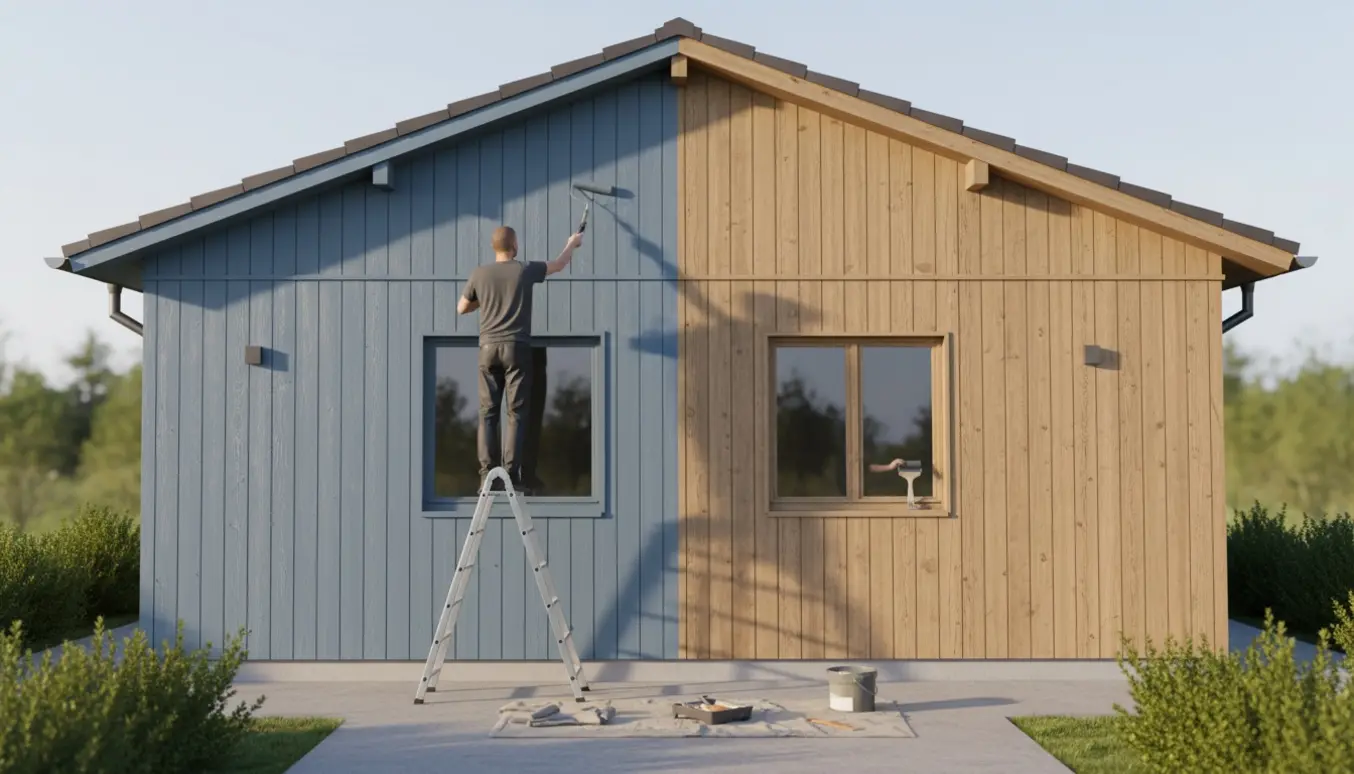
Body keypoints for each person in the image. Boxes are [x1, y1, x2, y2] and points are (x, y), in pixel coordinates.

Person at [458, 225, 583, 494]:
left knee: (487, 413)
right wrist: (572, 242)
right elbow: (560, 265)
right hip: (516, 348)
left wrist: (488, 298)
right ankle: (511, 476)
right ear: (514, 246)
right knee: (515, 413)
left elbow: (462, 308)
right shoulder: (524, 269)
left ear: (494, 247)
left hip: (488, 348)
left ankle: (486, 477)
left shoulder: (479, 274)